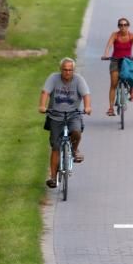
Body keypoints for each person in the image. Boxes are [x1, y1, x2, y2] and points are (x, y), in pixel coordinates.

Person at [39, 57, 91, 189]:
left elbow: (86, 95)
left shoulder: (79, 80)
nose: (67, 72)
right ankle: (52, 177)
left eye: (70, 70)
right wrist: (42, 106)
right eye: (65, 70)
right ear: (60, 70)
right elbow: (45, 92)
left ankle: (74, 150)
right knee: (55, 147)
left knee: (76, 132)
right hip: (56, 115)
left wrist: (87, 107)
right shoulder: (53, 78)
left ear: (73, 70)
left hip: (73, 114)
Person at [101, 18, 133, 115]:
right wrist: (106, 54)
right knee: (113, 84)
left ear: (128, 26)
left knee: (132, 73)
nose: (123, 27)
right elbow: (109, 45)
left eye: (125, 25)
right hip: (116, 60)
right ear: (118, 26)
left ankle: (132, 91)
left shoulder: (132, 36)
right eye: (121, 25)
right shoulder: (115, 35)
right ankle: (111, 108)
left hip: (127, 60)